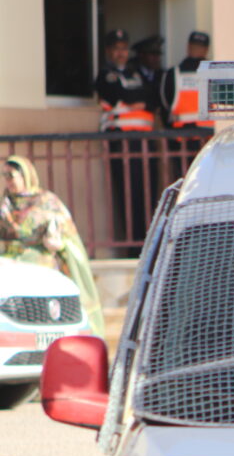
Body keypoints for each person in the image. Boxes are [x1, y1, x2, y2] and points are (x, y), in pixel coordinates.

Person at [0, 156, 105, 338]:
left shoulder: (46, 202)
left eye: (12, 176)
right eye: (4, 176)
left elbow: (64, 234)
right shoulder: (6, 204)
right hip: (11, 268)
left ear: (26, 176)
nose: (8, 181)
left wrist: (55, 238)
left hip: (41, 265)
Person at [94, 29, 155, 252]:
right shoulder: (106, 75)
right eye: (116, 49)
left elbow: (151, 96)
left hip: (143, 141)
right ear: (108, 51)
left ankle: (146, 243)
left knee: (146, 193)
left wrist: (134, 100)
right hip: (121, 140)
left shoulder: (135, 72)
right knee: (128, 195)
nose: (121, 53)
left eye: (124, 48)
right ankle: (134, 247)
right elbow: (115, 94)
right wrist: (134, 99)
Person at [161, 31, 214, 179]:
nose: (197, 49)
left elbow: (165, 107)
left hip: (185, 140)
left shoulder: (174, 73)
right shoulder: (214, 74)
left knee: (185, 183)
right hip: (204, 140)